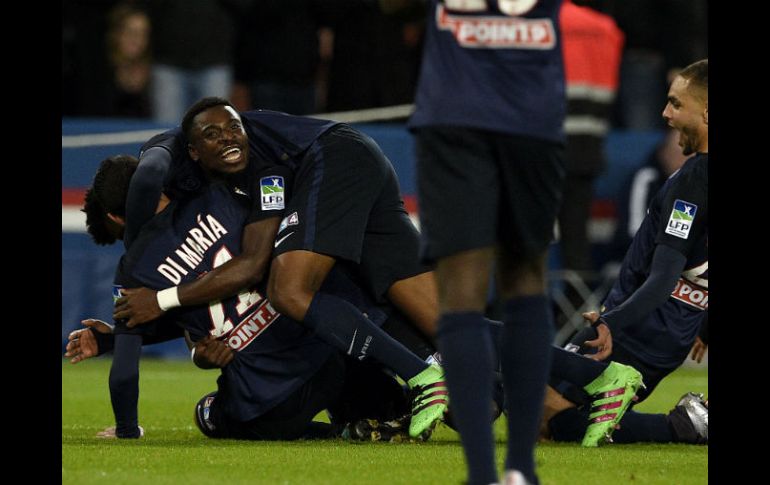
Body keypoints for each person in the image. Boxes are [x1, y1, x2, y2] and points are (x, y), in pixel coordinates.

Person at [111, 98, 451, 439]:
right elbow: (208, 310)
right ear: (194, 152)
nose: (228, 137)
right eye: (213, 134)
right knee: (457, 358)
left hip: (333, 159)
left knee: (290, 290)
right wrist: (110, 337)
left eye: (233, 127)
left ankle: (422, 376)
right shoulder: (228, 192)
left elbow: (251, 267)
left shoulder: (261, 174)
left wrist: (149, 279)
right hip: (359, 165)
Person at [408, 1, 567, 483]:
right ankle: (520, 468)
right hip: (532, 111)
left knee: (461, 291)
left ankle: (482, 474)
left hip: (455, 109)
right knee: (525, 276)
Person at [546, 59, 708, 446]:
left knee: (541, 411)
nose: (665, 114)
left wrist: (609, 323)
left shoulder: (692, 182)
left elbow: (663, 277)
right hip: (673, 331)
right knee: (555, 418)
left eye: (675, 104)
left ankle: (433, 364)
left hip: (642, 327)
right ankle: (682, 425)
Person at [554, 0, 624, 326]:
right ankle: (577, 319)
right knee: (576, 239)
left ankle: (529, 319)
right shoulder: (605, 29)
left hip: (546, 144)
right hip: (588, 146)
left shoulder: (548, 20)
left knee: (526, 238)